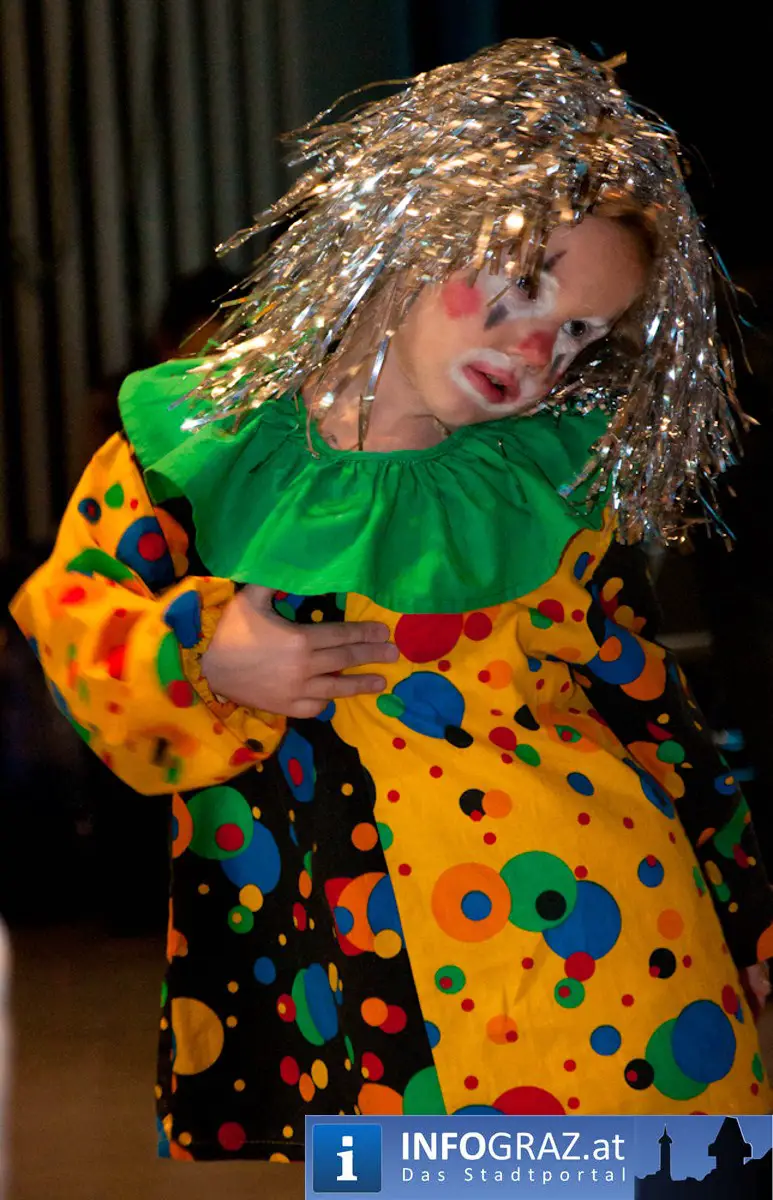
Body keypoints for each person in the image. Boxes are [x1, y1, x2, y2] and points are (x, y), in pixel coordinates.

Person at [9, 39, 773, 1163]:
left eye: (578, 332)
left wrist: (745, 917)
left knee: (657, 1183)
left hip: (616, 959)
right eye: (523, 286)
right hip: (368, 990)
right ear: (416, 225)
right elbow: (71, 614)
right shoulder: (197, 448)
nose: (538, 350)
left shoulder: (547, 487)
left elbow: (651, 711)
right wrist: (205, 653)